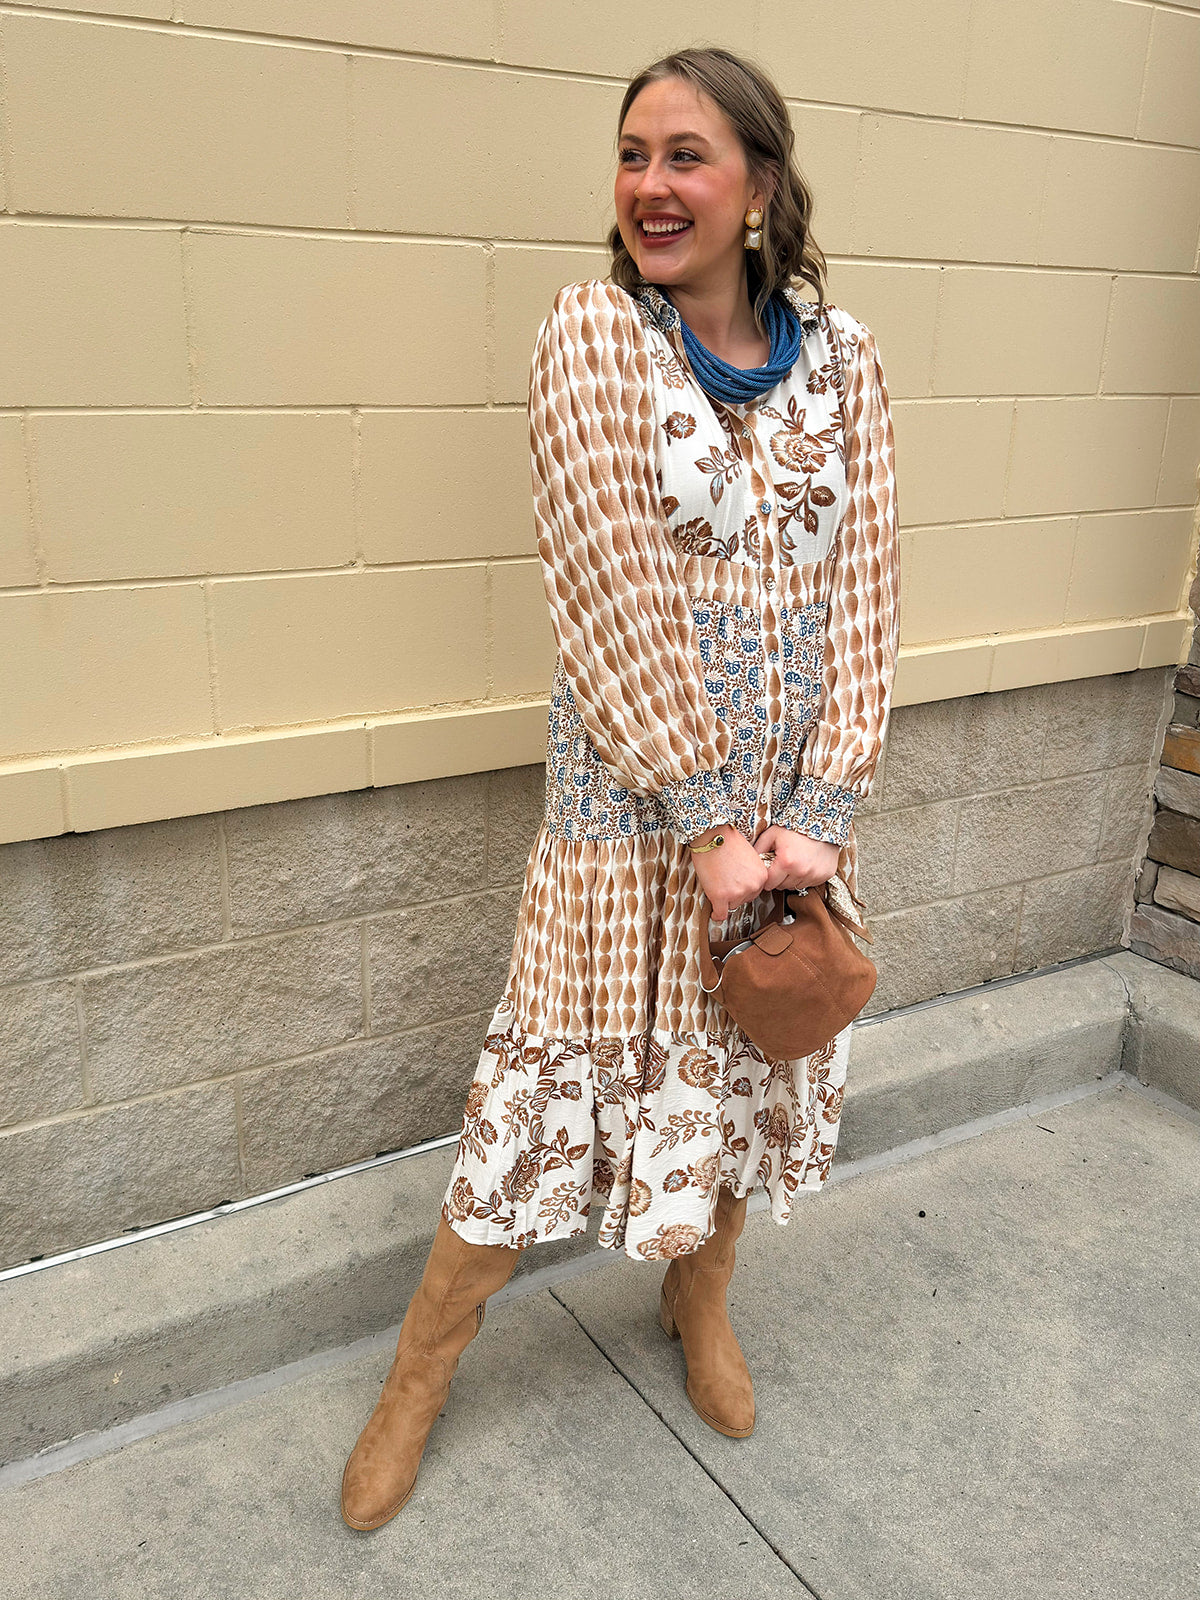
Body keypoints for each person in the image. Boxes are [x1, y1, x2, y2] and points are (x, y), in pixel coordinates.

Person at [340, 44, 900, 1531]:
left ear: (761, 187)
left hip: (787, 824)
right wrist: (707, 819)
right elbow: (603, 586)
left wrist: (821, 808)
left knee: (740, 1064)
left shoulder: (847, 364)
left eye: (687, 156)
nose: (651, 186)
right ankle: (419, 1377)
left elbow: (869, 590)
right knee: (533, 1111)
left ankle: (699, 1307)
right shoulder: (594, 338)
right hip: (629, 825)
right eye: (633, 154)